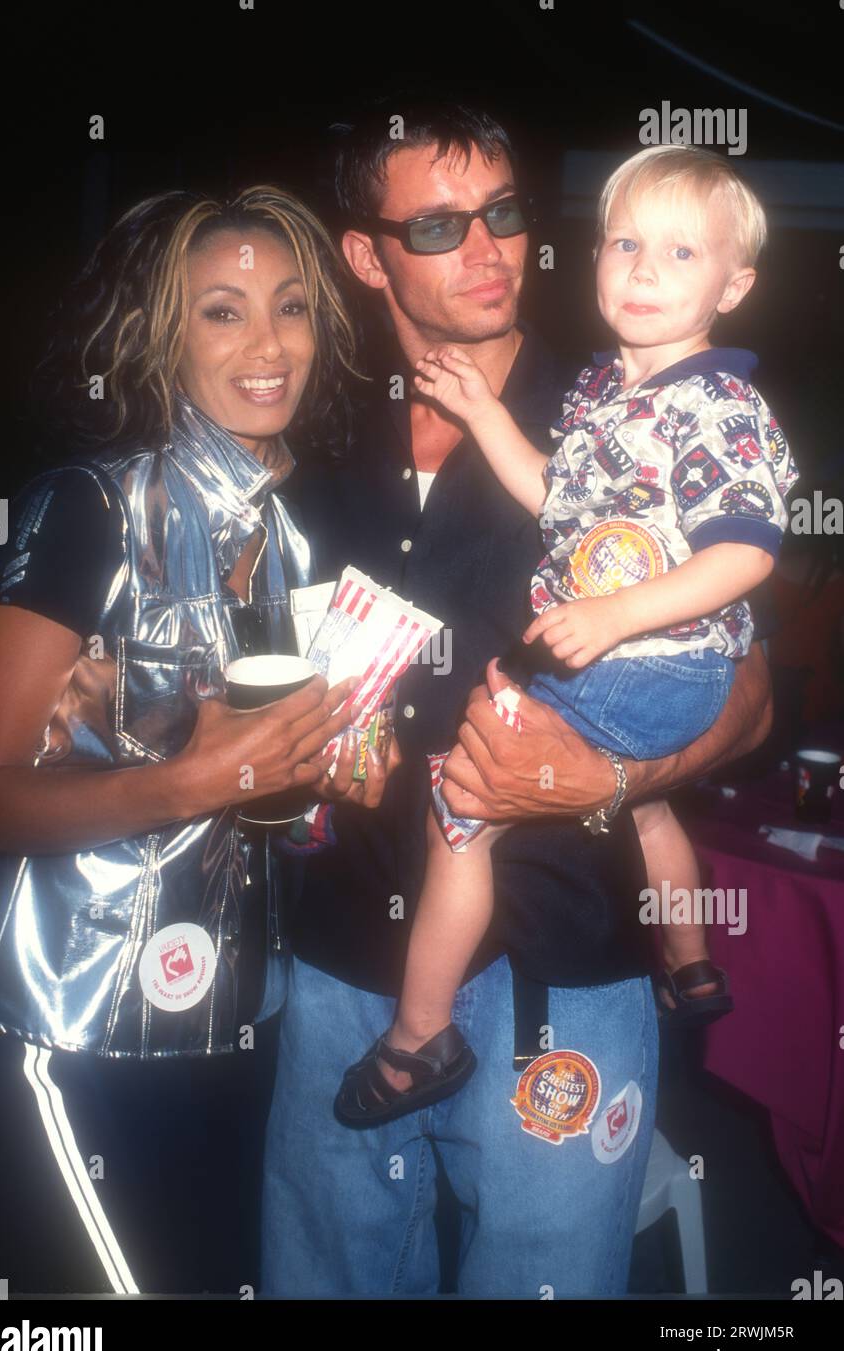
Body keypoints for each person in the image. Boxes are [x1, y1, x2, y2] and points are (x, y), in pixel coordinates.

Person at [262, 102, 773, 1297]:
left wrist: (612, 779)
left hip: (562, 958)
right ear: (364, 254)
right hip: (343, 950)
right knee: (320, 1278)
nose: (489, 248)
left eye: (502, 213)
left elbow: (740, 689)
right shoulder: (309, 432)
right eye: (438, 223)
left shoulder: (622, 410)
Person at [0, 185, 392, 1295]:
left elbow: (280, 808)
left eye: (290, 308)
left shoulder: (299, 537)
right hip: (60, 1029)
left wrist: (339, 768)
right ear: (160, 335)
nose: (266, 344)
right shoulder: (86, 508)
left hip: (232, 1029)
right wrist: (196, 778)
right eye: (221, 311)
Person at [335, 145, 798, 1123]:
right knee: (647, 809)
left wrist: (614, 614)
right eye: (623, 242)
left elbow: (749, 551)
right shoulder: (603, 393)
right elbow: (553, 495)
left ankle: (420, 1037)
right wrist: (477, 409)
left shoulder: (714, 404)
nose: (640, 268)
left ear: (734, 283)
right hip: (640, 673)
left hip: (652, 660)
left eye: (679, 253)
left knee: (459, 803)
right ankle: (691, 960)